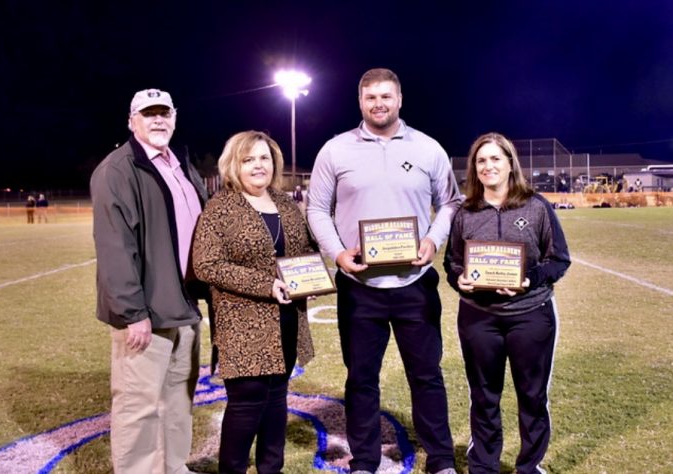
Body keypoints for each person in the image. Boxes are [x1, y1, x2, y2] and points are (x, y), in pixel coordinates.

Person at [306, 68, 461, 474]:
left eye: (386, 96)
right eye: (371, 97)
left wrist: (433, 240)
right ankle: (365, 461)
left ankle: (441, 460)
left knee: (426, 375)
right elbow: (316, 209)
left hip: (414, 284)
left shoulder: (428, 148)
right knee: (361, 379)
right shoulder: (335, 150)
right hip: (360, 286)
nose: (379, 103)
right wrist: (338, 254)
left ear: (400, 99)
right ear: (360, 102)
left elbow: (450, 203)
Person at [90, 88, 209, 474]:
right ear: (132, 121)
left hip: (184, 307)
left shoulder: (180, 164)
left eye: (164, 113)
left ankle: (175, 467)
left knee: (179, 398)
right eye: (148, 114)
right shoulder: (117, 170)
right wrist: (132, 312)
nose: (158, 120)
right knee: (137, 405)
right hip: (147, 313)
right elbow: (115, 248)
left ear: (174, 117)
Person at [443, 132, 571, 474]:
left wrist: (531, 278)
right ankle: (483, 465)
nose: (488, 166)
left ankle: (529, 466)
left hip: (530, 316)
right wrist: (460, 280)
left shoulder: (536, 206)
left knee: (532, 396)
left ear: (510, 162)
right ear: (474, 168)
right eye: (481, 160)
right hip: (479, 317)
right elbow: (452, 263)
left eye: (495, 158)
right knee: (484, 396)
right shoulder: (465, 212)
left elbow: (559, 259)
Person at [192, 130, 315, 474]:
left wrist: (310, 280)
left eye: (264, 158)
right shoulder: (220, 207)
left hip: (286, 320)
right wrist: (266, 284)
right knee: (246, 408)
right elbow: (206, 265)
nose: (258, 166)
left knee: (277, 405)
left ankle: (270, 470)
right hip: (243, 324)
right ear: (235, 165)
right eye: (249, 160)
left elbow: (302, 251)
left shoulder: (285, 202)